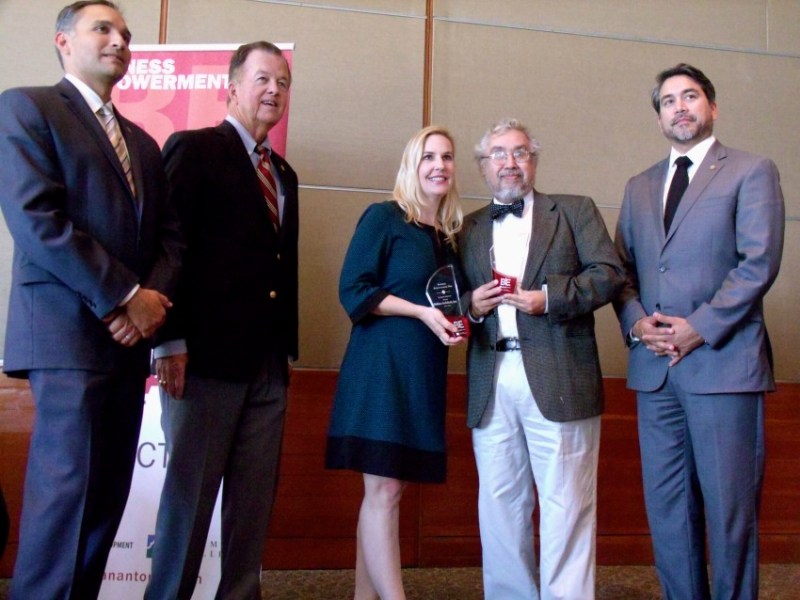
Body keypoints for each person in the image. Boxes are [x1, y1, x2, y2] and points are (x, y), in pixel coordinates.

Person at [0, 2, 183, 598]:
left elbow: (171, 241)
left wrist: (149, 301)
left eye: (125, 34)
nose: (119, 41)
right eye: (102, 29)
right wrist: (124, 297)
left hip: (128, 346)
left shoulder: (145, 144)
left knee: (106, 495)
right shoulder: (28, 107)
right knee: (66, 496)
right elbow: (37, 221)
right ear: (62, 42)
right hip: (66, 333)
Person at [614, 63, 785, 600]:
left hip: (723, 366)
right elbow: (620, 273)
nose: (680, 107)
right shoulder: (638, 186)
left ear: (712, 107)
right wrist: (637, 323)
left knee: (729, 513)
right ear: (659, 115)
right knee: (668, 513)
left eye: (690, 97)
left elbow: (758, 263)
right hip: (654, 372)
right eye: (668, 100)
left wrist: (699, 328)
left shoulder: (752, 171)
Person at [144, 41, 298, 600]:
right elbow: (167, 247)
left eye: (282, 81)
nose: (274, 90)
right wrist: (167, 341)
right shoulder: (194, 149)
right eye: (262, 79)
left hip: (267, 366)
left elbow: (280, 268)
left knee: (250, 513)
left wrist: (284, 354)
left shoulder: (284, 174)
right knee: (188, 504)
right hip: (200, 360)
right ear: (230, 87)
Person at [459, 118, 625, 600]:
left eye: (520, 152)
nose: (510, 162)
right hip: (491, 378)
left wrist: (549, 299)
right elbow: (454, 300)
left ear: (534, 160)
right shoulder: (467, 228)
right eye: (499, 154)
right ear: (483, 166)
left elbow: (609, 274)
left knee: (567, 504)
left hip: (560, 373)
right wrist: (471, 303)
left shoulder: (573, 210)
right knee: (499, 505)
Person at [326, 125, 466, 600]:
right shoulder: (384, 218)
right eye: (428, 156)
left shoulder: (447, 237)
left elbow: (449, 303)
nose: (439, 165)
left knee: (389, 492)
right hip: (380, 367)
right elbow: (354, 290)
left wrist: (461, 316)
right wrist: (421, 312)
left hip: (422, 372)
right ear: (412, 165)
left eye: (447, 157)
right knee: (384, 491)